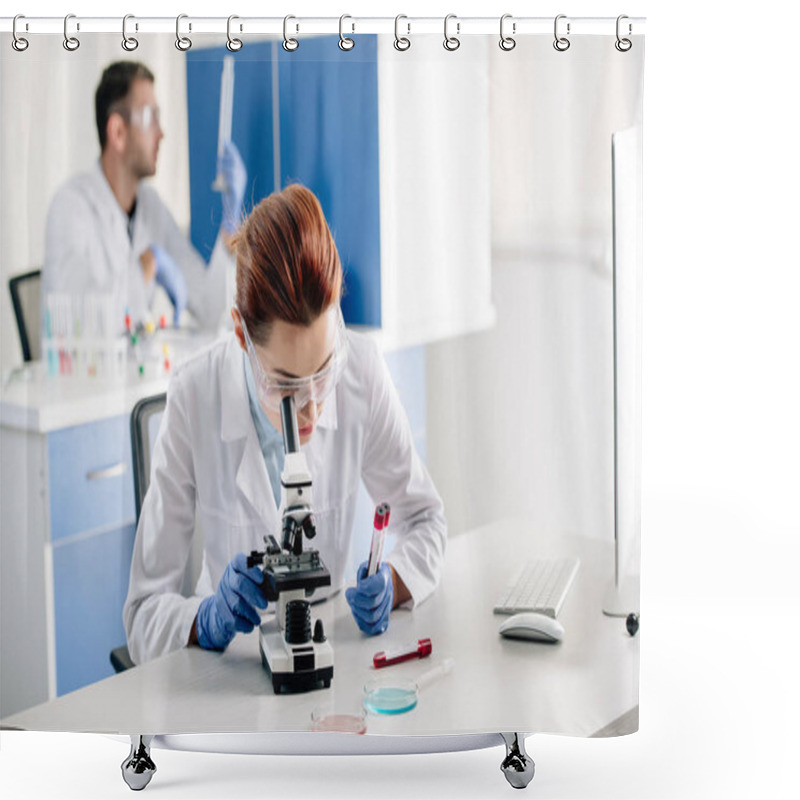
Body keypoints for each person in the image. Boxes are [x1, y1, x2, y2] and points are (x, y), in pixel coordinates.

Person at [123, 184, 447, 664]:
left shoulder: (361, 370)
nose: (313, 408)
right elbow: (144, 612)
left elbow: (426, 520)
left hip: (331, 649)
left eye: (324, 373)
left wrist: (394, 580)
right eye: (288, 386)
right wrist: (206, 619)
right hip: (225, 669)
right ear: (240, 334)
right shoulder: (194, 394)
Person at [41, 60, 247, 336]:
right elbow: (78, 325)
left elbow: (209, 309)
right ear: (118, 132)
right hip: (82, 378)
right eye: (151, 118)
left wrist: (231, 226)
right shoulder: (71, 206)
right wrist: (149, 264)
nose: (161, 134)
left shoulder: (150, 206)